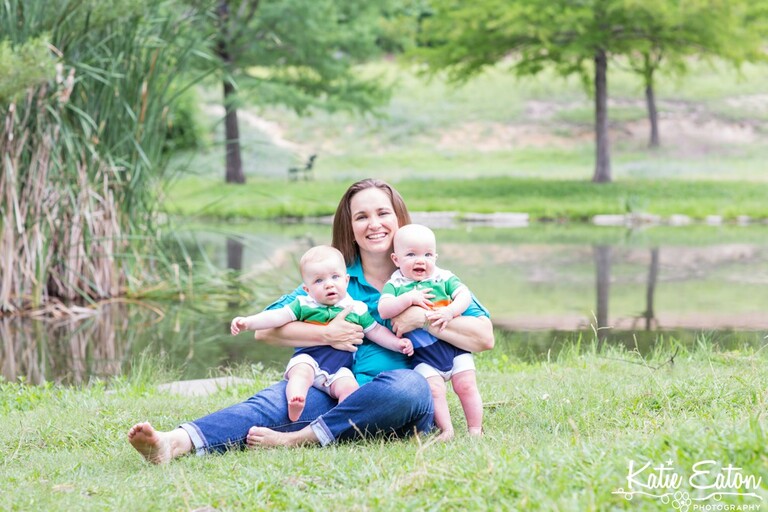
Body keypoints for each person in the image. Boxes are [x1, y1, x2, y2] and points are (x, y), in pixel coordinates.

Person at [127, 178, 494, 463]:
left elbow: (484, 338)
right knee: (275, 402)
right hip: (336, 387)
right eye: (361, 217)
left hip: (401, 402)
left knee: (406, 386)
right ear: (349, 226)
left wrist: (423, 318)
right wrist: (327, 334)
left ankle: (299, 439)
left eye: (383, 213)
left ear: (399, 219)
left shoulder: (431, 278)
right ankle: (174, 442)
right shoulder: (334, 277)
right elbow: (267, 331)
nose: (374, 224)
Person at [230, 245, 413, 422]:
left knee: (349, 388)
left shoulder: (356, 309)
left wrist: (397, 344)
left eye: (335, 277)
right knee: (301, 374)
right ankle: (296, 399)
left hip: (339, 370)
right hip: (309, 359)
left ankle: (341, 421)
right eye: (319, 281)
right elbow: (276, 317)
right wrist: (248, 322)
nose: (329, 284)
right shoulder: (304, 304)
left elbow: (376, 331)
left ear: (346, 281)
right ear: (307, 289)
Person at [378, 224, 482, 440]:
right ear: (396, 259)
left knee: (466, 385)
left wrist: (450, 311)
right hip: (424, 354)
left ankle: (475, 429)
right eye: (411, 255)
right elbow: (384, 309)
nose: (420, 260)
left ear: (435, 257)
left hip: (454, 347)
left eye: (427, 254)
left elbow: (464, 295)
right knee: (434, 390)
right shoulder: (396, 284)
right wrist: (408, 299)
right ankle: (447, 429)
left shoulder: (443, 277)